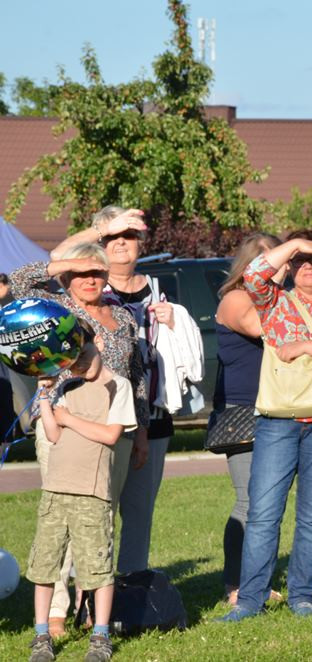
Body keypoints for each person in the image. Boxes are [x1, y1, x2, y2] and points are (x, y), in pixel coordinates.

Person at [219, 229, 312, 621]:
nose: (308, 267)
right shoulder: (273, 302)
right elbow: (252, 274)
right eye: (300, 260)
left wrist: (304, 346)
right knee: (264, 513)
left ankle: (303, 596)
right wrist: (294, 246)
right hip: (278, 419)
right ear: (288, 264)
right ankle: (249, 601)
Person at [10, 242, 148, 637]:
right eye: (82, 273)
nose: (90, 279)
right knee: (62, 518)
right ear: (68, 276)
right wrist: (71, 261)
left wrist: (141, 431)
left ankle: (90, 605)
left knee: (100, 517)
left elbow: (137, 373)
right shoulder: (56, 309)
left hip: (113, 430)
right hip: (64, 423)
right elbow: (18, 282)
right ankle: (55, 610)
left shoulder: (122, 316)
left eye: (98, 272)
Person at [51, 206, 179, 578]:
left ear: (141, 243)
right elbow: (50, 262)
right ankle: (82, 592)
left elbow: (141, 368)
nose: (121, 243)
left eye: (129, 235)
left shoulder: (155, 290)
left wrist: (175, 323)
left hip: (144, 414)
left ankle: (129, 588)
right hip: (85, 417)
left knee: (138, 511)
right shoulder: (79, 289)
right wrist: (100, 232)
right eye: (112, 237)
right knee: (90, 511)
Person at [27, 324, 137, 662]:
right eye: (72, 361)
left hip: (92, 492)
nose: (79, 365)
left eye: (83, 355)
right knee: (45, 565)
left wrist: (69, 418)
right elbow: (53, 434)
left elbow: (110, 435)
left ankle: (100, 636)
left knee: (97, 568)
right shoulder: (67, 386)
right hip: (56, 489)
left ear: (97, 343)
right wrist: (45, 397)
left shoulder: (118, 386)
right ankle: (42, 635)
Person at [212, 232, 286, 606]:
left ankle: (258, 580)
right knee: (249, 501)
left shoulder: (278, 298)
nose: (278, 269)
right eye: (270, 262)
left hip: (278, 407)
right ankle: (235, 584)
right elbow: (261, 328)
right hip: (243, 412)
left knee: (269, 503)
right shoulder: (236, 298)